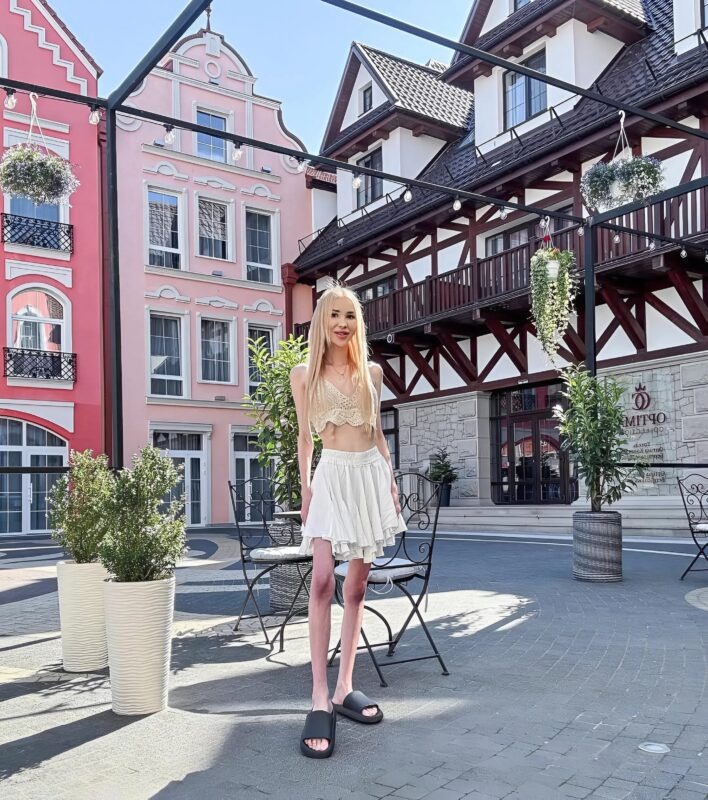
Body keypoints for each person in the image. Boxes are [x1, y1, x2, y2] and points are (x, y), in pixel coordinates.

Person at [290, 283, 406, 759]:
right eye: (335, 315)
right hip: (332, 476)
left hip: (369, 476)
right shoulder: (304, 375)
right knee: (322, 580)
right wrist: (305, 489)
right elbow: (304, 438)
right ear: (322, 321)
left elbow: (377, 433)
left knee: (356, 588)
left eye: (350, 316)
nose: (342, 323)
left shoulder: (371, 372)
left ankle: (344, 688)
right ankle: (318, 695)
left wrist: (391, 478)